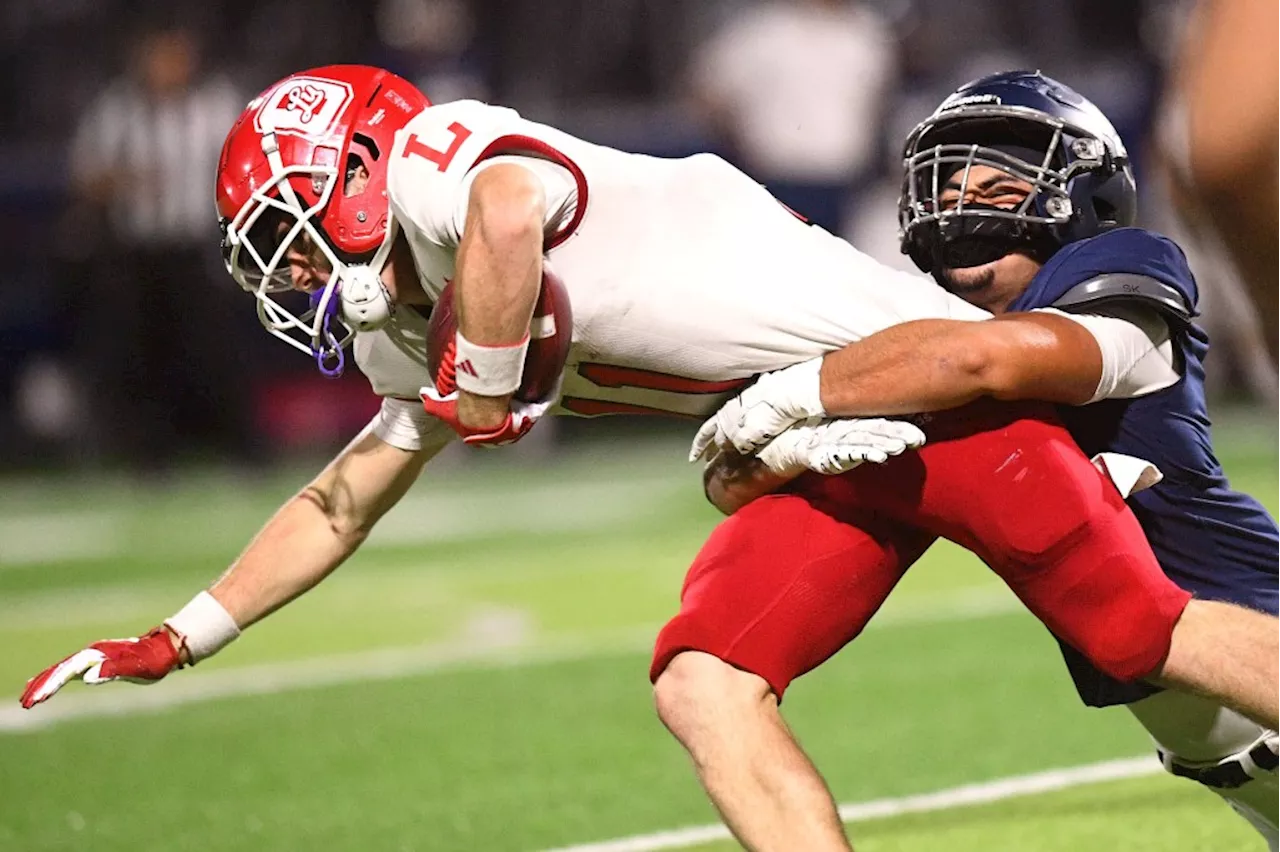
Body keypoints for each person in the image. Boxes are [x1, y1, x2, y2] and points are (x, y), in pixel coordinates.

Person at [16, 65, 1277, 848]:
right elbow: (340, 499)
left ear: (355, 171)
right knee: (702, 681)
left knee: (1136, 634)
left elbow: (512, 214)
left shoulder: (446, 163)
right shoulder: (405, 311)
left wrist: (489, 378)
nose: (290, 271)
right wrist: (186, 633)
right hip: (805, 443)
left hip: (919, 386)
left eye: (289, 235)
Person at [692, 71, 1280, 848]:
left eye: (996, 189)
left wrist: (803, 390)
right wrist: (766, 447)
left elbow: (989, 362)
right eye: (943, 188)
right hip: (1231, 761)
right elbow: (742, 487)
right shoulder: (911, 364)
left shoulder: (1116, 273)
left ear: (1084, 198)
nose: (959, 208)